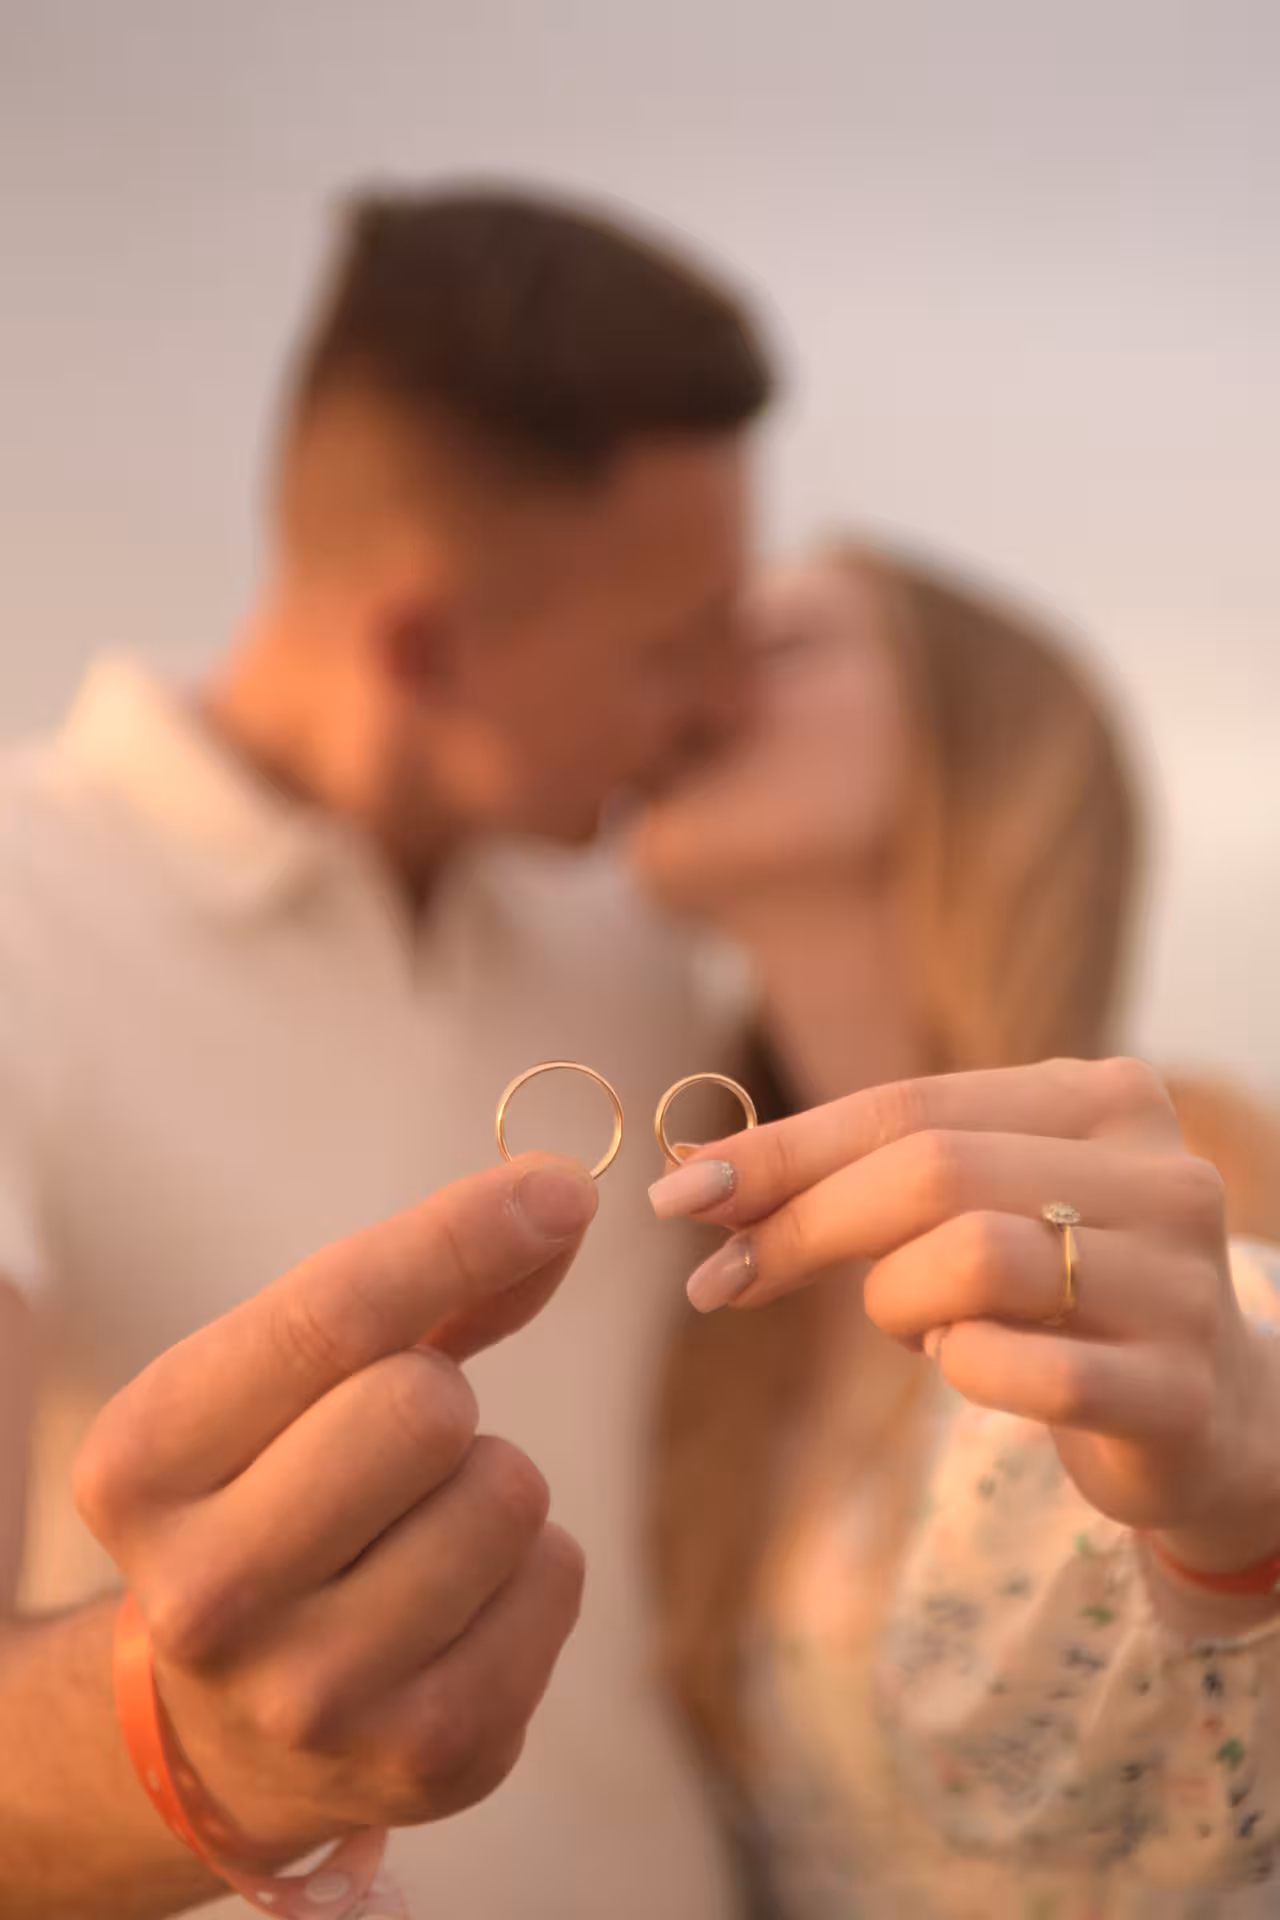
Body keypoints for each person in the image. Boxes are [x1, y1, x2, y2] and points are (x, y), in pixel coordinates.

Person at [0, 186, 774, 1917]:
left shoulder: (643, 941)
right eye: (671, 649)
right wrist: (193, 1748)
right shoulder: (20, 923)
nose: (723, 708)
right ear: (424, 645)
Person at [629, 544, 1280, 1913]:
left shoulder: (1193, 1193)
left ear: (980, 753)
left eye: (784, 645)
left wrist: (1236, 1508)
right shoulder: (711, 1322)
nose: (692, 683)